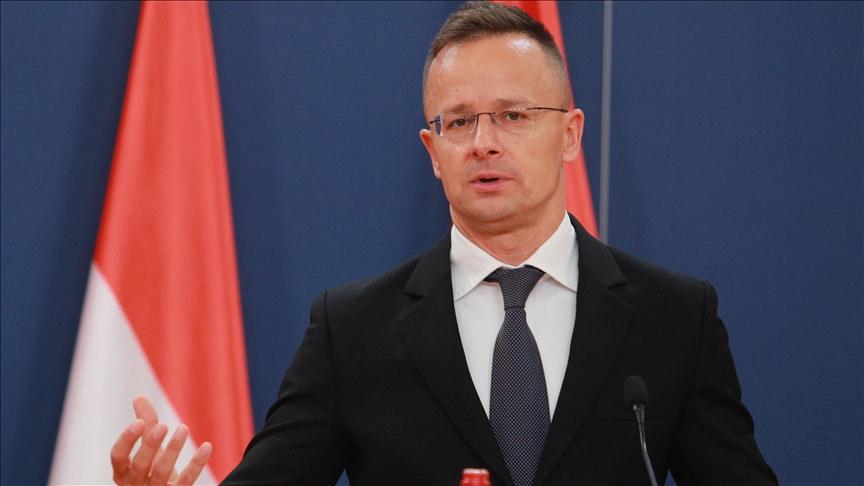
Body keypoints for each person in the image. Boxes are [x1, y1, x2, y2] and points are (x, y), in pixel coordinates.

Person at [110, 2, 777, 485]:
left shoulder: (674, 318)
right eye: (459, 122)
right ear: (433, 152)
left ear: (570, 134)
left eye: (513, 115)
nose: (484, 142)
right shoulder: (352, 331)